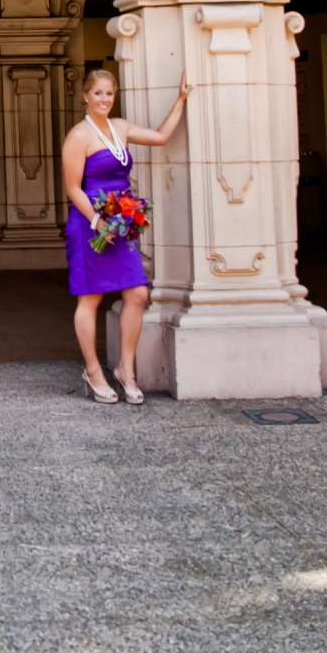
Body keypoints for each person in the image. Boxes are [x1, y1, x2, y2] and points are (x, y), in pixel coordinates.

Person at [60, 67, 187, 405]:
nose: (104, 99)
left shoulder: (121, 128)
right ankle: (92, 370)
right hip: (89, 225)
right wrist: (98, 221)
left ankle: (125, 370)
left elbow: (160, 137)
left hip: (120, 223)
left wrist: (181, 99)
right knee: (90, 298)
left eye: (109, 93)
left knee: (138, 293)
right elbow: (73, 187)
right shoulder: (78, 136)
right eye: (98, 93)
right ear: (86, 95)